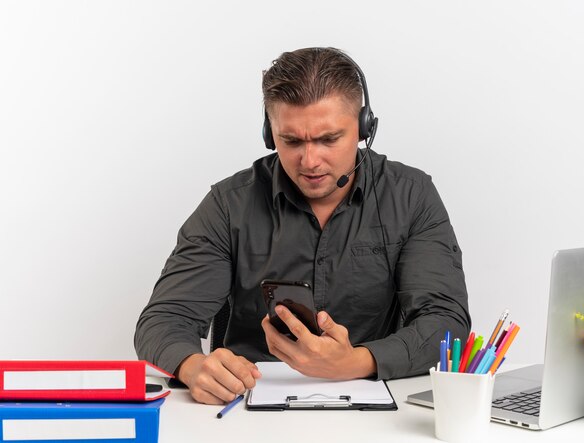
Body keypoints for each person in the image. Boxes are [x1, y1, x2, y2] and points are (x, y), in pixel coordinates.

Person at [134, 47, 470, 405]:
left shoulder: (411, 195)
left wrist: (355, 362)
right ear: (269, 132)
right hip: (247, 405)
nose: (309, 161)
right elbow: (164, 319)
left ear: (363, 127)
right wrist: (192, 365)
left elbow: (446, 323)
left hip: (376, 406)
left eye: (328, 139)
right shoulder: (228, 204)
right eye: (291, 141)